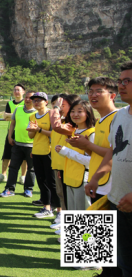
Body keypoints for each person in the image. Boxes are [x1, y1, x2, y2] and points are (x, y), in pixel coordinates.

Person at [69, 78, 121, 277]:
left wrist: (88, 146)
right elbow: (100, 152)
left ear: (113, 95)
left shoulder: (118, 117)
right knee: (99, 230)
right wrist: (84, 146)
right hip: (98, 181)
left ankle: (93, 263)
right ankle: (96, 265)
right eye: (91, 91)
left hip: (110, 184)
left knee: (112, 234)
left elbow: (115, 152)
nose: (93, 95)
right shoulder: (101, 120)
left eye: (99, 91)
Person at [85, 61, 132, 277]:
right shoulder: (121, 116)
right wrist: (95, 177)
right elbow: (115, 152)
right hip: (116, 198)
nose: (122, 85)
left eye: (128, 81)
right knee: (120, 259)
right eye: (121, 81)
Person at [55, 100, 96, 212]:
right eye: (72, 111)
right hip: (70, 178)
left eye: (79, 111)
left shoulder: (92, 133)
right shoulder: (76, 131)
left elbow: (92, 161)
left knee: (84, 214)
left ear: (88, 113)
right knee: (73, 213)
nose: (75, 114)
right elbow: (73, 155)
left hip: (83, 180)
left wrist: (66, 152)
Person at [27, 92, 60, 218]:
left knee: (52, 182)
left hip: (49, 152)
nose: (36, 102)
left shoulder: (52, 114)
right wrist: (33, 130)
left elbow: (55, 133)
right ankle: (46, 207)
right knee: (41, 181)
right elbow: (31, 136)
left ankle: (59, 210)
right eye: (34, 100)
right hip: (36, 151)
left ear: (46, 102)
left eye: (39, 100)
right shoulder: (32, 116)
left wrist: (39, 130)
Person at [0, 90, 37, 198]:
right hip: (17, 144)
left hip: (31, 145)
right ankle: (9, 189)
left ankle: (28, 189)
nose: (28, 99)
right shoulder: (18, 109)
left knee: (31, 169)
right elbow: (13, 124)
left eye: (31, 98)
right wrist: (10, 136)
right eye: (26, 97)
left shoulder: (37, 112)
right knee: (13, 167)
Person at [0, 84, 28, 184]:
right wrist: (14, 116)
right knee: (6, 154)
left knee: (24, 156)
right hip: (11, 132)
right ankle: (3, 175)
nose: (16, 92)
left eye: (18, 90)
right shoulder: (10, 103)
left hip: (23, 132)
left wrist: (10, 115)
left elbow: (25, 115)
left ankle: (23, 176)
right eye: (15, 90)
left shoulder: (26, 102)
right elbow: (4, 117)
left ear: (23, 92)